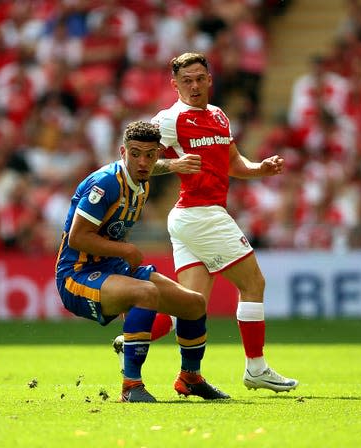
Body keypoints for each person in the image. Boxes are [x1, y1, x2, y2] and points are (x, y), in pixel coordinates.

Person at [114, 52, 298, 396]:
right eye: (187, 80)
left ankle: (144, 344)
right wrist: (173, 165)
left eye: (200, 78)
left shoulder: (218, 116)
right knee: (254, 282)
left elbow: (233, 163)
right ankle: (256, 368)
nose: (195, 85)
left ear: (210, 79)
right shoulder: (170, 119)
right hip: (202, 213)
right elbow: (132, 163)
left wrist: (261, 168)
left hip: (191, 216)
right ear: (175, 85)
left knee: (191, 304)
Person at [55, 121, 216, 403]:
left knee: (194, 304)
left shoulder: (142, 177)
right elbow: (77, 239)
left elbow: (152, 166)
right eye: (135, 153)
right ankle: (131, 387)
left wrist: (174, 165)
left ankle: (191, 378)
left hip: (111, 268)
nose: (143, 162)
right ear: (122, 152)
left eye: (150, 155)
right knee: (146, 293)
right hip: (77, 275)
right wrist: (125, 250)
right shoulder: (105, 184)